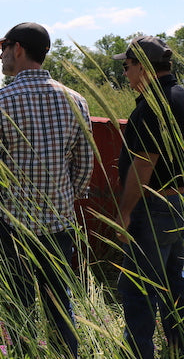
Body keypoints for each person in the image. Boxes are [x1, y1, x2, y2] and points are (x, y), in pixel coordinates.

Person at [0, 22, 93, 358]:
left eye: (4, 48)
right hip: (58, 225)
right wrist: (66, 200)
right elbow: (84, 163)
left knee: (18, 305)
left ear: (19, 49)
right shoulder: (77, 100)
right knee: (60, 303)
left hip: (12, 225)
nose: (1, 56)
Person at [112, 35, 184, 359]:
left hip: (153, 208)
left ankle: (139, 354)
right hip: (181, 207)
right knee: (177, 288)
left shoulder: (151, 107)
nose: (125, 75)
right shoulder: (182, 96)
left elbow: (143, 166)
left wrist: (124, 212)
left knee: (139, 290)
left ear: (142, 67)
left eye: (127, 67)